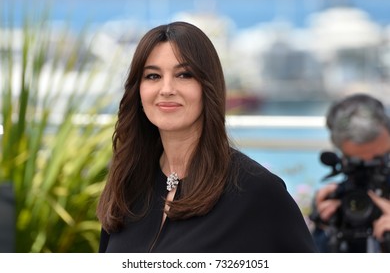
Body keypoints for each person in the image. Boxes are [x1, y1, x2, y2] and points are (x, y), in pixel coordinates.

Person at [96, 21, 317, 253]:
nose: (167, 88)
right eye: (152, 76)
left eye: (184, 74)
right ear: (137, 90)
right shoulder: (127, 183)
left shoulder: (256, 190)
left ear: (208, 87)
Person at [311, 93, 390, 252]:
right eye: (357, 164)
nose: (369, 172)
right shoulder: (338, 199)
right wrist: (324, 228)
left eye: (381, 159)